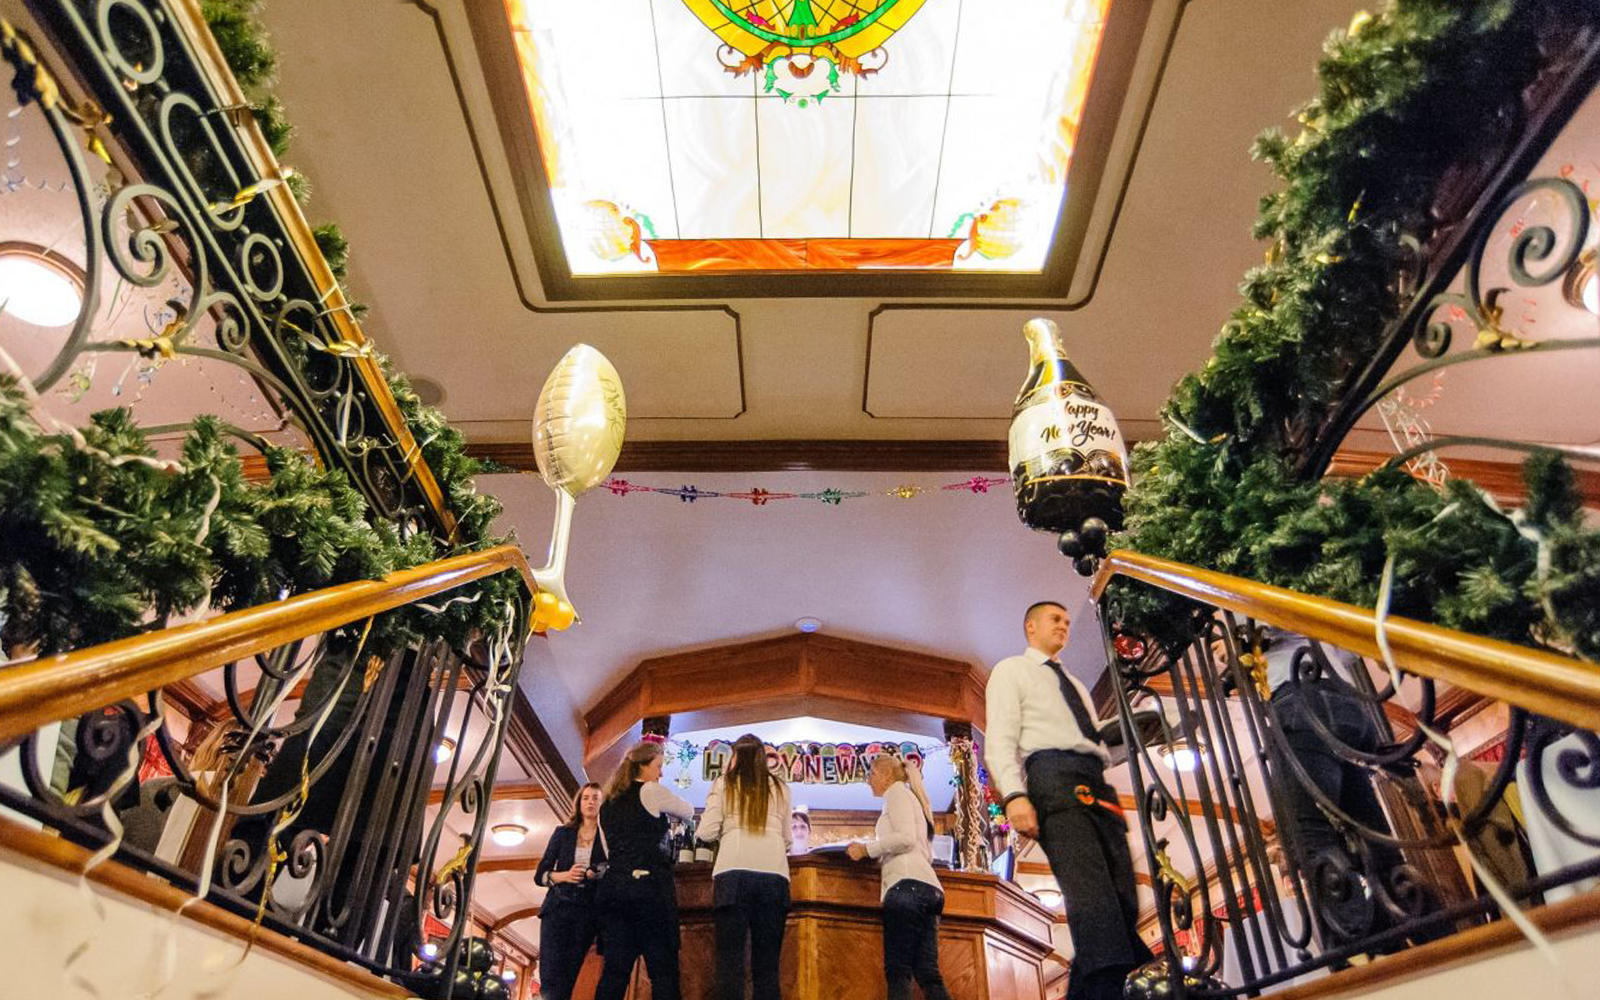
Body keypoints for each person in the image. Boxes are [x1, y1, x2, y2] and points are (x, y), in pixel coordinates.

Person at [985, 600, 1151, 1000]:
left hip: (1096, 780)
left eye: (1066, 621)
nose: (1064, 626)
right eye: (1055, 619)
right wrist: (1013, 795)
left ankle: (1098, 986)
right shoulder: (1012, 671)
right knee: (1092, 896)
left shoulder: (1074, 684)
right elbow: (1001, 739)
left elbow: (1089, 736)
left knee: (1124, 898)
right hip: (1053, 779)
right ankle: (1114, 985)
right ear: (1030, 626)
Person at [846, 754, 952, 1000]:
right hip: (929, 890)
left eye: (871, 774)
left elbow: (905, 838)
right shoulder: (909, 797)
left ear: (885, 774)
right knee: (928, 973)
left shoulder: (896, 793)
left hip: (906, 887)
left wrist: (865, 849)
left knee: (898, 970)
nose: (868, 780)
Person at [697, 733, 794, 1000]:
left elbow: (706, 832)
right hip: (774, 876)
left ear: (736, 756)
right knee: (767, 968)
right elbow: (787, 838)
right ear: (763, 758)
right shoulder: (781, 788)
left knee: (730, 965)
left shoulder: (724, 783)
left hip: (733, 874)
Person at [595, 741, 693, 1000]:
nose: (660, 773)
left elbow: (608, 851)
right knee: (663, 972)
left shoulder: (607, 804)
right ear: (643, 765)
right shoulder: (650, 790)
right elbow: (688, 810)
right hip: (649, 891)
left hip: (615, 889)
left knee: (614, 973)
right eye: (658, 766)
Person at [533, 782, 606, 1000]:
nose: (590, 802)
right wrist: (564, 875)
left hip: (586, 910)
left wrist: (595, 873)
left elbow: (609, 867)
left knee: (570, 971)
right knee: (549, 968)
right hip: (557, 906)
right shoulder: (563, 833)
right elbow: (541, 875)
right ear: (579, 802)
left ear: (602, 803)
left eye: (595, 798)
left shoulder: (606, 838)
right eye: (586, 798)